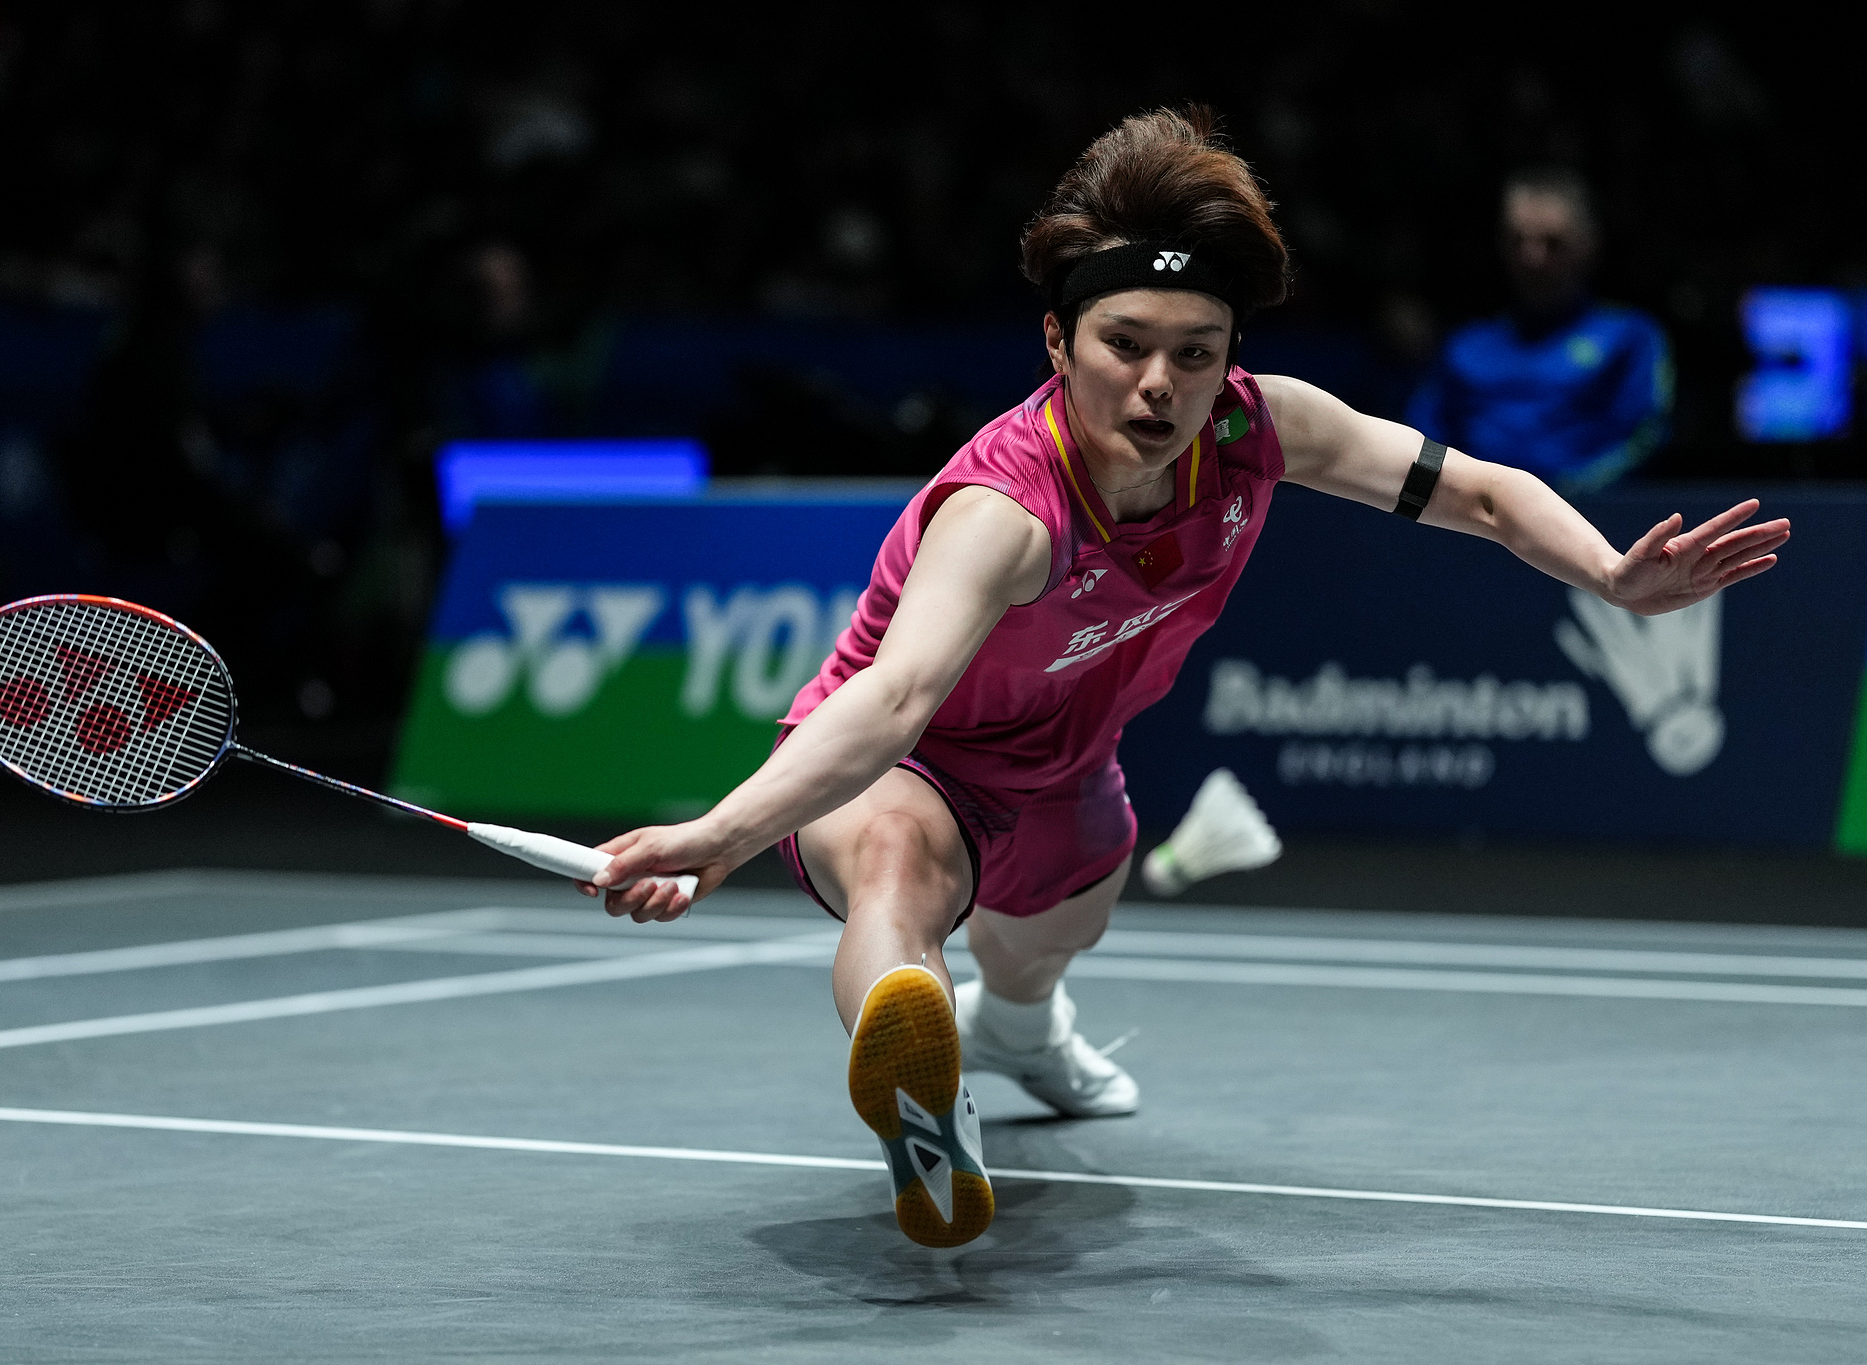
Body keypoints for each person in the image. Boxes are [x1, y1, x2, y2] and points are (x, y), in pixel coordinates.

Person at [578, 109, 1788, 1249]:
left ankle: (1017, 1033)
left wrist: (1608, 575)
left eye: (1194, 354)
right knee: (899, 873)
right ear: (1057, 343)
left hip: (1063, 776)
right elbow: (892, 703)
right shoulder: (1007, 510)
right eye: (1123, 345)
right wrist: (722, 835)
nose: (1158, 383)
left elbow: (1478, 491)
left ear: (1228, 363)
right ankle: (922, 1099)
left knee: (1041, 948)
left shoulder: (1258, 430)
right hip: (906, 764)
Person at [1406, 167, 1674, 496]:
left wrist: (1559, 498)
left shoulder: (1629, 337)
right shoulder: (1464, 347)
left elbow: (1646, 436)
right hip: (1472, 515)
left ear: (1588, 243)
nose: (1532, 258)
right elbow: (1422, 440)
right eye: (1517, 240)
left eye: (1553, 243)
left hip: (1590, 514)